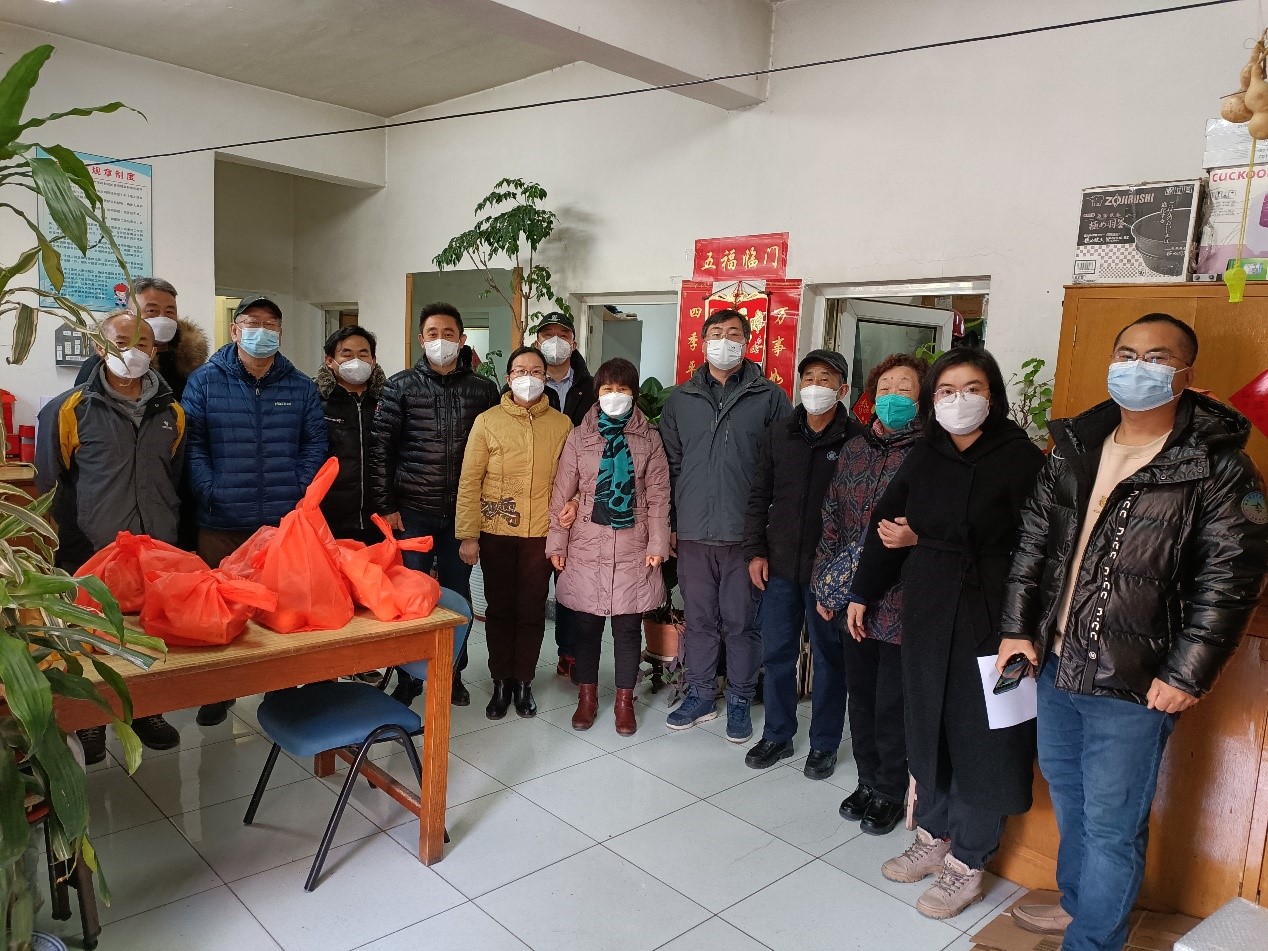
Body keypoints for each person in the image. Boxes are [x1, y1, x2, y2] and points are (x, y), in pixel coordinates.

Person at [997, 313, 1268, 950]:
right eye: (1125, 353)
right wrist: (1017, 630)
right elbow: (1033, 545)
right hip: (1057, 664)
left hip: (1134, 680)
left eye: (1156, 357)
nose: (1136, 367)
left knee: (1111, 824)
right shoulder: (1076, 450)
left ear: (1185, 375)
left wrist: (1186, 674)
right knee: (1070, 798)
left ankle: (1094, 941)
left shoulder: (1218, 467)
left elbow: (1230, 580)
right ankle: (1079, 907)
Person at [846, 348, 1045, 920]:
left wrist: (929, 535)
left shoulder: (1020, 458)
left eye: (972, 388)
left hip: (1001, 624)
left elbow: (1039, 546)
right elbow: (887, 526)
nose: (960, 400)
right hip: (930, 615)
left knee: (988, 738)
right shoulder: (926, 454)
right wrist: (863, 591)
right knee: (927, 723)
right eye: (947, 390)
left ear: (994, 394)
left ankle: (970, 859)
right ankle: (933, 833)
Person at [37, 312, 186, 762]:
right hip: (91, 549)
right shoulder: (69, 408)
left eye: (143, 343)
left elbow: (173, 476)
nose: (132, 351)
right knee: (90, 640)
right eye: (122, 341)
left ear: (155, 351)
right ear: (99, 347)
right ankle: (91, 720)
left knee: (146, 634)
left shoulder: (173, 412)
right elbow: (50, 483)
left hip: (153, 551)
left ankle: (147, 711)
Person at [182, 295, 327, 726]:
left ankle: (281, 690)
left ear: (280, 333)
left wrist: (298, 490)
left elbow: (314, 445)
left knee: (280, 610)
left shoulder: (300, 386)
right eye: (252, 322)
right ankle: (218, 692)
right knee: (218, 611)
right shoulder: (205, 381)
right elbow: (192, 445)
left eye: (270, 324)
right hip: (221, 520)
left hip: (280, 524)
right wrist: (208, 490)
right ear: (235, 330)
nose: (261, 331)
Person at [659, 308, 792, 741]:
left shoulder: (769, 398)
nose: (724, 341)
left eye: (734, 334)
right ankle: (700, 694)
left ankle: (739, 698)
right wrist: (672, 524)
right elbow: (669, 468)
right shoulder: (681, 399)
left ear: (748, 343)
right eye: (716, 333)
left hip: (743, 537)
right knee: (699, 620)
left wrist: (765, 536)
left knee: (741, 623)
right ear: (702, 342)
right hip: (693, 534)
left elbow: (781, 470)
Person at [813, 353, 926, 834]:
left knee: (890, 702)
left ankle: (890, 789)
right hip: (850, 597)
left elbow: (939, 525)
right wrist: (826, 585)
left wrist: (915, 536)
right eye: (884, 389)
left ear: (921, 398)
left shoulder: (930, 452)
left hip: (901, 599)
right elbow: (832, 517)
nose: (892, 397)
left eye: (904, 388)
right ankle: (866, 780)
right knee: (859, 695)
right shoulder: (855, 449)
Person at [370, 302, 499, 707]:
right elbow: (381, 450)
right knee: (410, 596)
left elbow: (493, 454)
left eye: (449, 333)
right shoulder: (400, 386)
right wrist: (387, 504)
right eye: (432, 333)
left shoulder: (483, 390)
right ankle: (409, 677)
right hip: (413, 510)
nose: (440, 340)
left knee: (457, 596)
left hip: (462, 513)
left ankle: (453, 671)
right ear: (421, 339)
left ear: (462, 340)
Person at [742, 349, 860, 777]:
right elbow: (760, 495)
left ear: (842, 389)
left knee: (830, 658)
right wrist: (756, 550)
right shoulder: (780, 433)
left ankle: (824, 743)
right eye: (808, 378)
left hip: (830, 572)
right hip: (779, 565)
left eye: (825, 379)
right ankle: (777, 733)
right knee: (777, 652)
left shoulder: (856, 439)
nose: (815, 387)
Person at [546, 358, 671, 736]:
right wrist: (557, 542)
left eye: (622, 389)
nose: (614, 396)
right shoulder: (579, 436)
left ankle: (623, 702)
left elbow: (659, 496)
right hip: (586, 542)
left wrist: (658, 542)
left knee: (628, 629)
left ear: (633, 393)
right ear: (597, 394)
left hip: (634, 544)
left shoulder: (649, 438)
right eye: (607, 389)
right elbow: (562, 494)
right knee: (586, 627)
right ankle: (587, 698)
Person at [456, 347, 571, 720]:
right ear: (508, 378)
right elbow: (470, 480)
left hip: (541, 533)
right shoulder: (488, 421)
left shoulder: (561, 425)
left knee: (531, 610)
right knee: (500, 609)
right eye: (520, 370)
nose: (528, 377)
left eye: (536, 371)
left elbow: (571, 481)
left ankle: (523, 682)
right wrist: (468, 535)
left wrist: (568, 517)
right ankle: (501, 682)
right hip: (496, 531)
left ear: (545, 378)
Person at [533, 311, 596, 681]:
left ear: (573, 342)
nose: (554, 341)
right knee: (531, 584)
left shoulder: (593, 388)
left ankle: (569, 652)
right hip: (533, 497)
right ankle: (523, 662)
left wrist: (580, 495)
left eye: (562, 334)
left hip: (576, 500)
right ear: (537, 341)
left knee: (571, 582)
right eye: (547, 334)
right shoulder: (523, 385)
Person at [75, 277, 209, 400]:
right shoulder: (105, 362)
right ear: (130, 314)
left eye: (169, 311)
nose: (162, 318)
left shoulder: (191, 361)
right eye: (152, 311)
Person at [317, 325, 387, 544]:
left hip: (379, 518)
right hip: (328, 518)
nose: (356, 361)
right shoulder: (315, 400)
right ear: (330, 360)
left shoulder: (388, 400)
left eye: (363, 354)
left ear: (373, 360)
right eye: (346, 354)